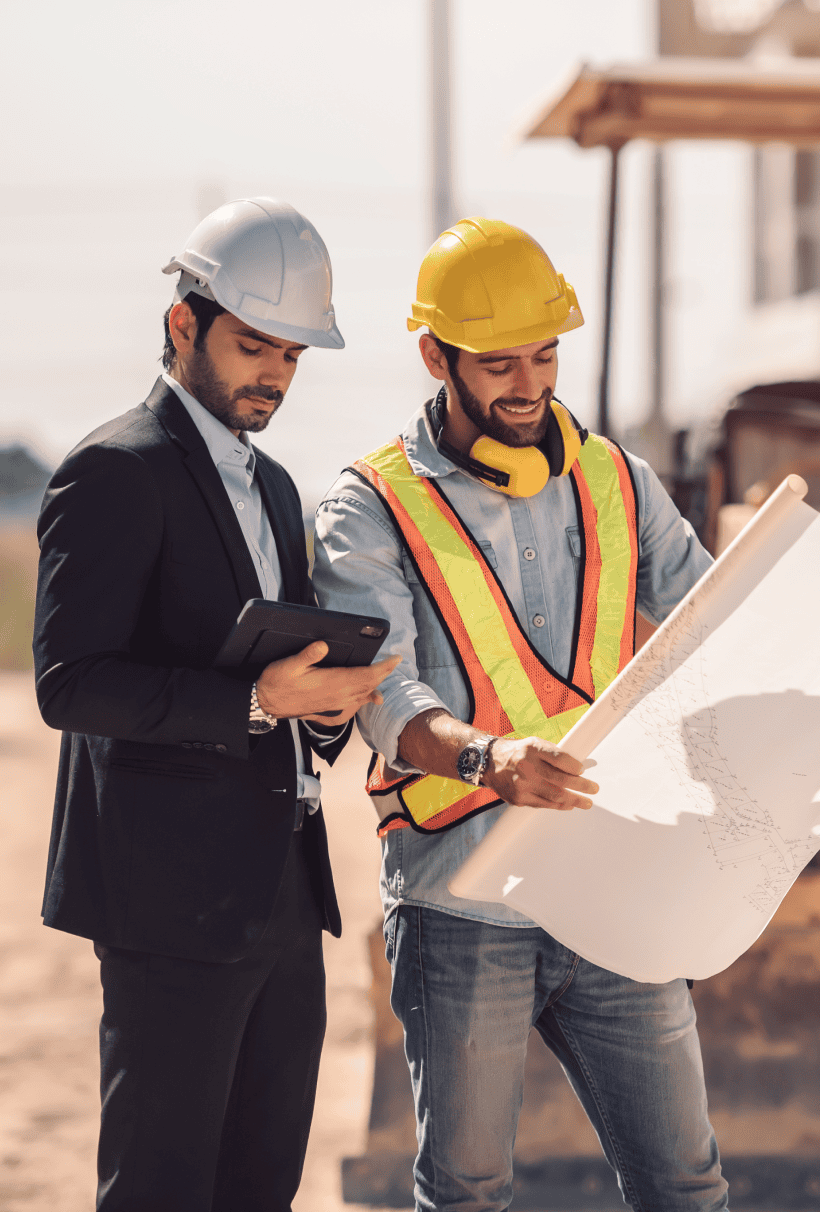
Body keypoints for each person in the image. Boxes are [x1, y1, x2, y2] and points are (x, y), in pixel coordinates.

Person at [313, 216, 728, 1211]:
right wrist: (486, 759)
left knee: (686, 1185)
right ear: (435, 356)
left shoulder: (619, 482)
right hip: (463, 903)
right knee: (468, 1192)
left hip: (611, 885)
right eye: (499, 362)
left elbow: (717, 621)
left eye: (544, 355)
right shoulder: (372, 507)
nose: (530, 384)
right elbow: (384, 697)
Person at [33, 197, 399, 1211]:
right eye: (253, 345)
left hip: (281, 898)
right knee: (160, 1188)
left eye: (291, 353)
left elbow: (283, 690)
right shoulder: (114, 471)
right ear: (182, 325)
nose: (274, 373)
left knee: (259, 1189)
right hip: (165, 904)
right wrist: (250, 700)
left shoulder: (280, 488)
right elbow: (69, 683)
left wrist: (322, 708)